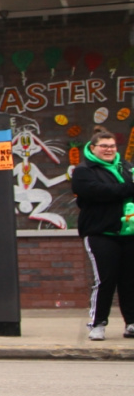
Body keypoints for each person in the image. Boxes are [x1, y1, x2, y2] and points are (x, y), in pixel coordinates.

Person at [70, 126, 134, 341]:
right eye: (104, 146)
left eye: (113, 146)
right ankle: (97, 324)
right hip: (100, 232)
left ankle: (132, 323)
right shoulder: (84, 171)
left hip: (128, 232)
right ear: (93, 147)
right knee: (105, 279)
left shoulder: (126, 167)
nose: (109, 150)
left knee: (129, 279)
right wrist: (128, 188)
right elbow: (99, 192)